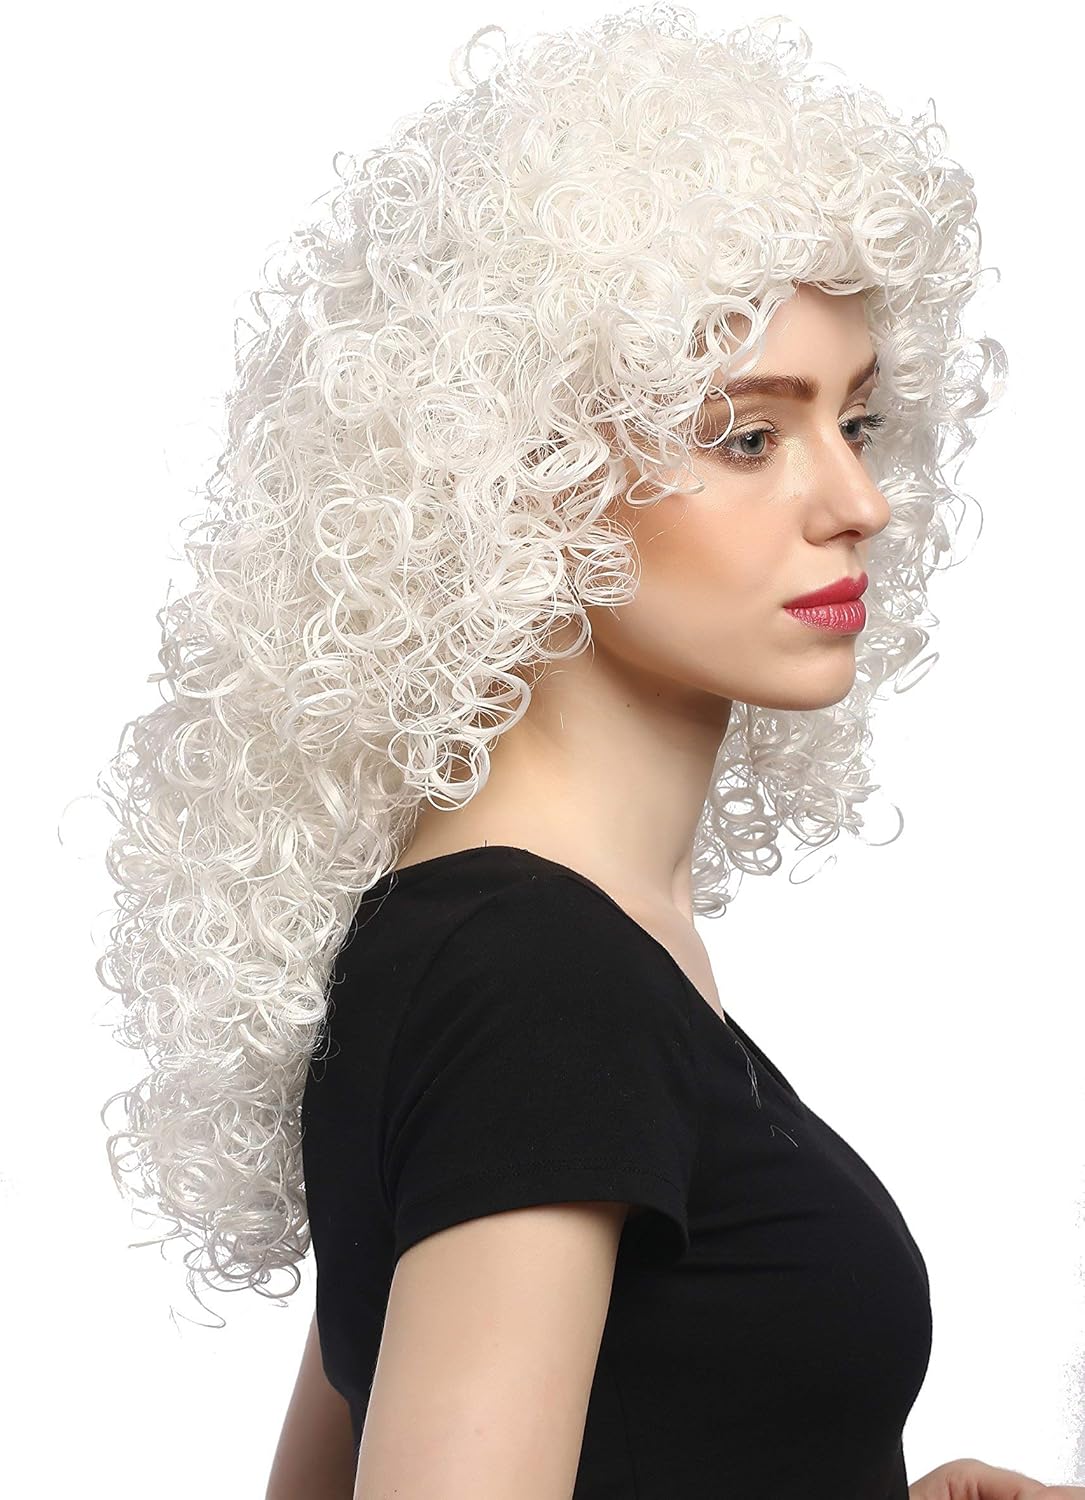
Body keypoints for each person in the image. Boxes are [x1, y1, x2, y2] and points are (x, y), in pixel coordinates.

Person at [92, 4, 1084, 1498]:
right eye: (748, 435)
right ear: (527, 472)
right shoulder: (529, 975)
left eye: (859, 423)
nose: (857, 504)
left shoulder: (535, 943)